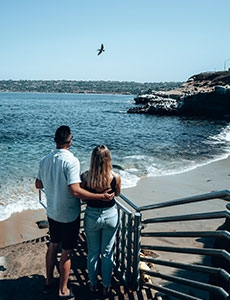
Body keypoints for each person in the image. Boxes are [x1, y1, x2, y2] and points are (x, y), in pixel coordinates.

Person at [35, 126, 114, 300]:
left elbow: (38, 184)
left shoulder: (44, 160)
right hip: (69, 214)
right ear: (70, 141)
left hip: (53, 211)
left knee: (53, 245)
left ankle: (49, 282)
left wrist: (52, 182)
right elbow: (75, 191)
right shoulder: (72, 161)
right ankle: (63, 290)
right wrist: (100, 196)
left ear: (55, 140)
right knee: (67, 251)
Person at [81, 145, 121, 296]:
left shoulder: (85, 176)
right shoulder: (115, 177)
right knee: (107, 252)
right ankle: (106, 285)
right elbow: (117, 194)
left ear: (93, 159)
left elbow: (83, 196)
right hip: (110, 215)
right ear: (108, 159)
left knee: (92, 252)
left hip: (92, 215)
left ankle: (92, 284)